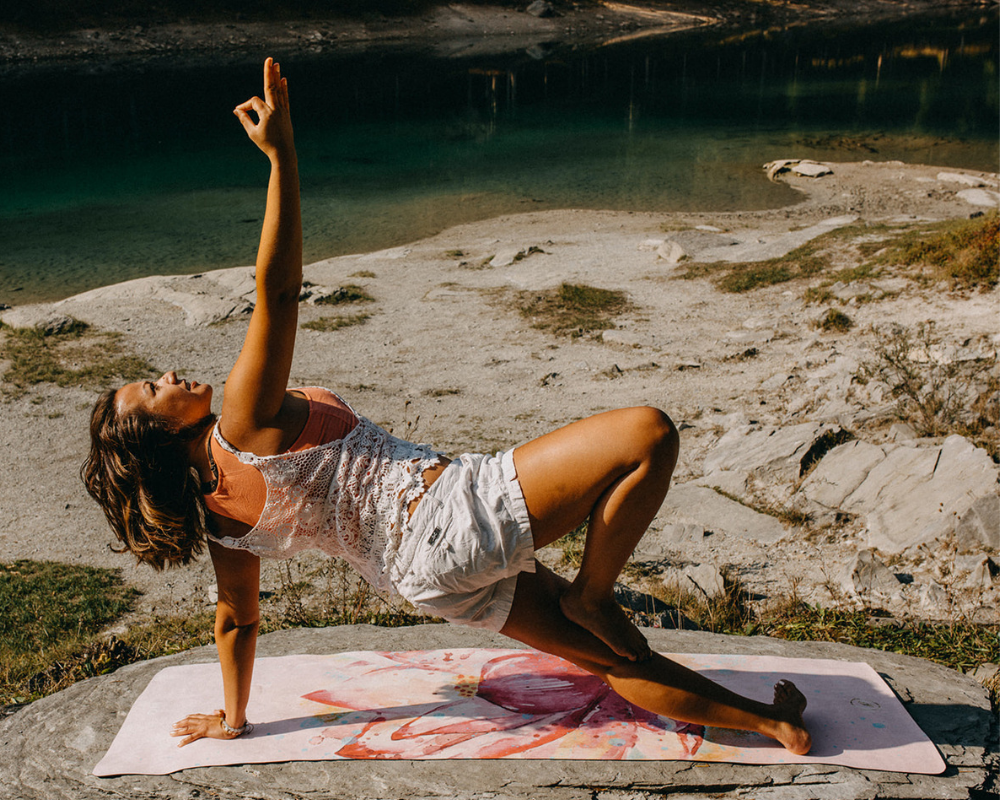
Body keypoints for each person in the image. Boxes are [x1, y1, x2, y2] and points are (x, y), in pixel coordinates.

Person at [82, 58, 812, 756]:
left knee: (610, 657)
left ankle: (774, 724)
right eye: (153, 389)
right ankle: (593, 593)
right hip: (445, 517)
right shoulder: (242, 422)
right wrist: (281, 159)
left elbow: (236, 623)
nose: (168, 374)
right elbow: (276, 290)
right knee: (648, 433)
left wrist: (232, 721)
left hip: (423, 581)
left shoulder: (220, 523)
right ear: (166, 433)